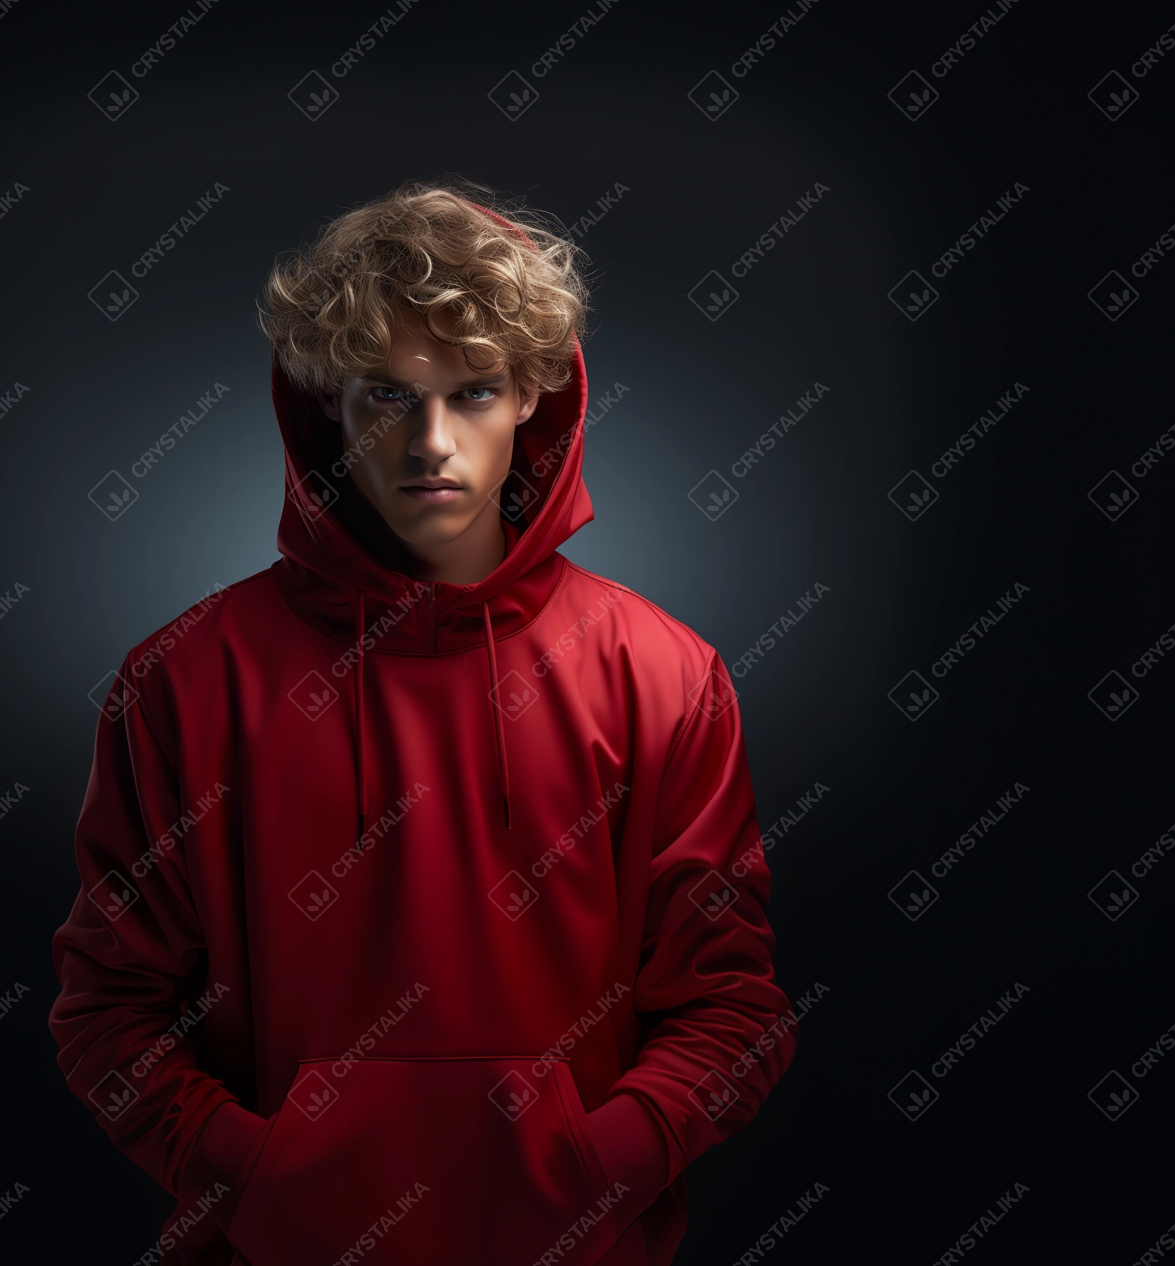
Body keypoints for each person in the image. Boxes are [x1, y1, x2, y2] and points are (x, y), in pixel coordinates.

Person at [49, 180, 796, 1266]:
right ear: (326, 406)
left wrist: (586, 1173)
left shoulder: (665, 676)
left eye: (475, 392)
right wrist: (262, 1174)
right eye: (387, 397)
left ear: (538, 395)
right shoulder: (182, 680)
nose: (430, 441)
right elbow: (108, 1012)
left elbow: (732, 1010)